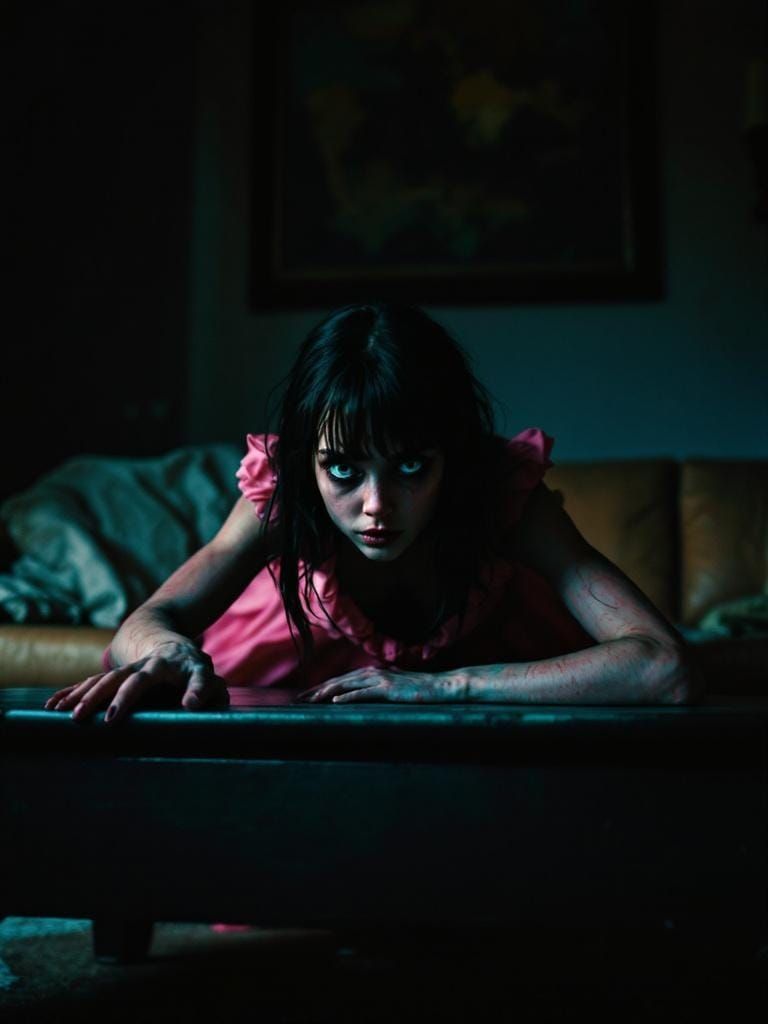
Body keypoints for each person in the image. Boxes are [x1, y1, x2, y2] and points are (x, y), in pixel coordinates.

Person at [45, 302, 698, 723]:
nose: (377, 506)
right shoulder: (283, 493)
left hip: (485, 716)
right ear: (308, 462)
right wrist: (169, 651)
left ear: (453, 456)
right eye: (343, 471)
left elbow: (661, 665)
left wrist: (446, 688)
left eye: (412, 467)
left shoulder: (501, 494)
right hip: (288, 679)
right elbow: (149, 620)